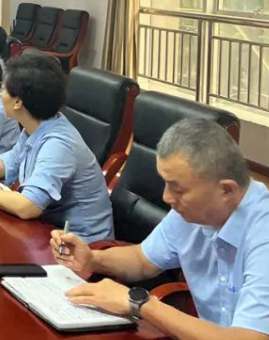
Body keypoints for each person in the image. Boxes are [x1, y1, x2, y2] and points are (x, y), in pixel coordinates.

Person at [51, 119, 269, 340]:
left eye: (177, 189)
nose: (166, 197)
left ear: (226, 190)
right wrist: (93, 259)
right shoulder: (193, 213)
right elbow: (141, 260)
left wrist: (140, 304)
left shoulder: (262, 233)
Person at [0, 52, 113, 242]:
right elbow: (11, 161)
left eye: (2, 88)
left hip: (80, 244)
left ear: (18, 102)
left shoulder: (58, 144)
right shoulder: (37, 125)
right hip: (47, 230)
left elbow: (28, 207)